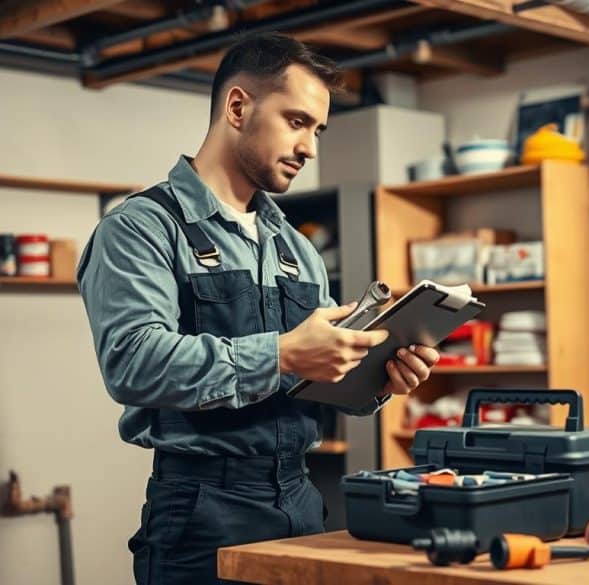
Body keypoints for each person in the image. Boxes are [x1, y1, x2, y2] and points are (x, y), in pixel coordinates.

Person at [76, 32, 440, 585]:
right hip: (201, 511)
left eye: (317, 129)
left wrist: (378, 374)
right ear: (238, 107)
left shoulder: (296, 248)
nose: (311, 148)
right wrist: (286, 353)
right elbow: (133, 362)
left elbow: (314, 381)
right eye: (297, 122)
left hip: (301, 500)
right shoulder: (141, 229)